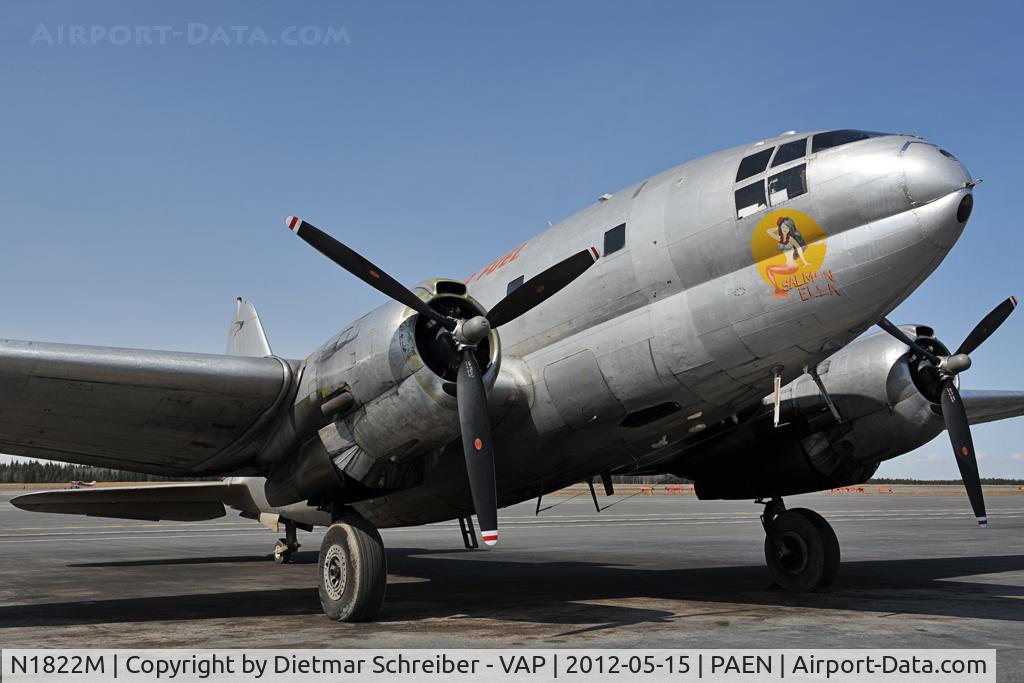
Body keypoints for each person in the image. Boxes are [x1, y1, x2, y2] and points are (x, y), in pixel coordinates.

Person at [765, 216, 811, 299]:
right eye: (783, 227)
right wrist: (778, 225)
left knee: (769, 269)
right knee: (768, 269)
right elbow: (768, 231)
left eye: (786, 227)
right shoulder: (780, 238)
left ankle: (778, 291)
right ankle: (778, 290)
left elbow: (799, 248)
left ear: (790, 228)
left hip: (792, 266)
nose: (784, 229)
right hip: (787, 265)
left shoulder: (790, 239)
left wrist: (804, 262)